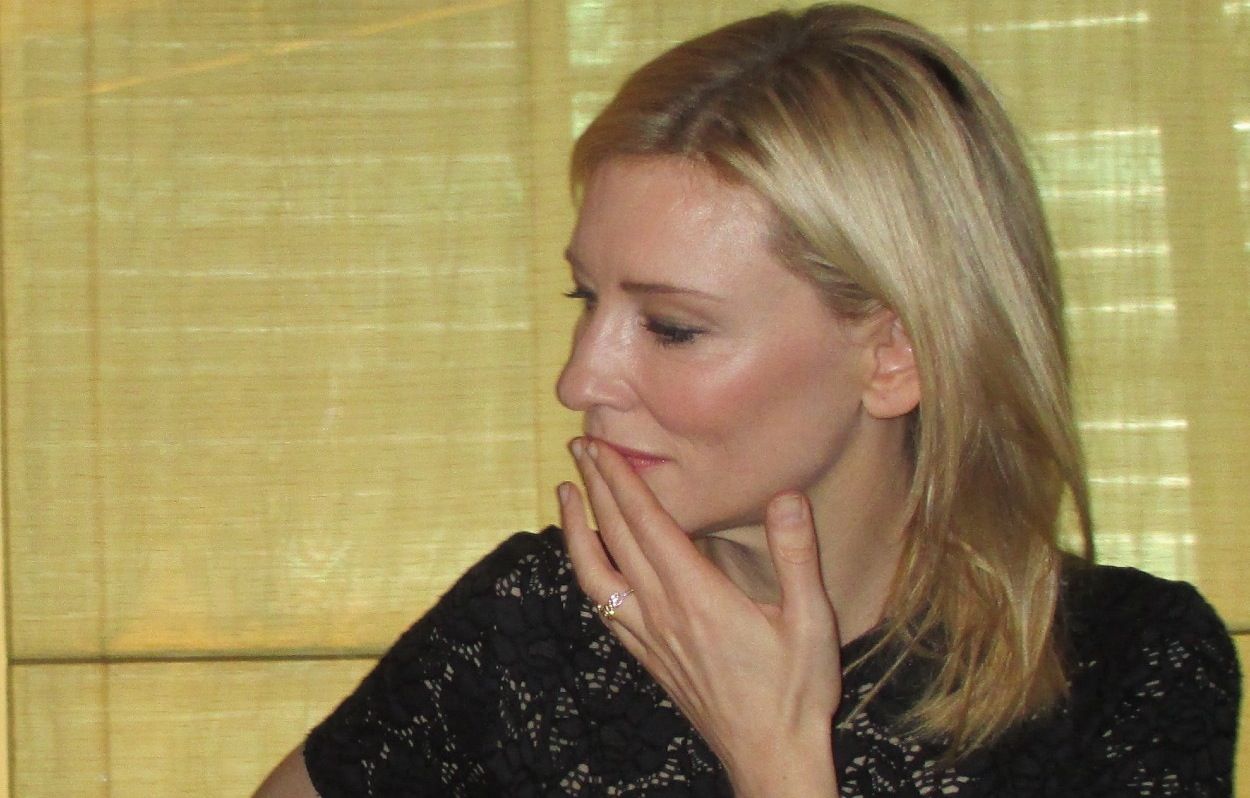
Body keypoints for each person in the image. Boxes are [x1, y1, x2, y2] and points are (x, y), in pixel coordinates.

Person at [254, 4, 1240, 796]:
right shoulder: (531, 625)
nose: (579, 380)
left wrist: (774, 758)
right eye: (585, 299)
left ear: (895, 354)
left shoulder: (1122, 667)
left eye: (672, 327)